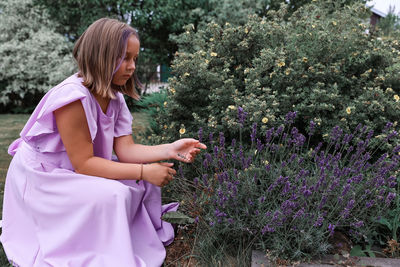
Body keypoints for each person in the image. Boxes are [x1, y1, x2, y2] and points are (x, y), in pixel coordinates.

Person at [0, 18, 206, 267]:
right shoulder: (73, 98)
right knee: (115, 194)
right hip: (45, 176)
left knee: (141, 185)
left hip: (76, 167)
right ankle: (100, 251)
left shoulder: (115, 97)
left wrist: (170, 149)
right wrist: (144, 170)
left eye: (135, 59)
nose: (131, 67)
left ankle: (117, 242)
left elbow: (125, 149)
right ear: (100, 56)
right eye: (124, 58)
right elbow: (85, 164)